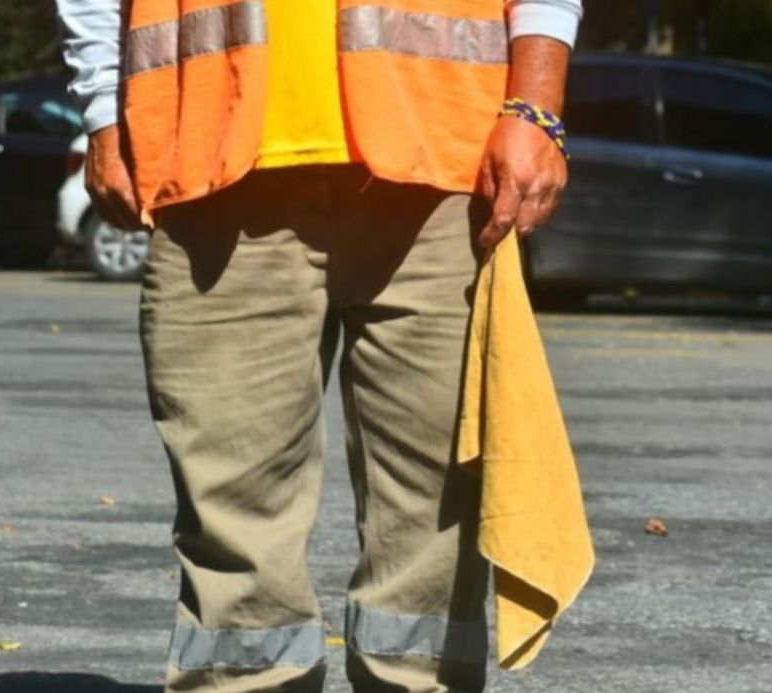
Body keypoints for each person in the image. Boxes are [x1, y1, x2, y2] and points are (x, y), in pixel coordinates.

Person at [54, 0, 583, 690]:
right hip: (213, 157)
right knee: (232, 519)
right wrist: (101, 108)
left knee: (437, 521)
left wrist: (535, 107)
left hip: (442, 162)